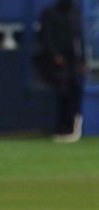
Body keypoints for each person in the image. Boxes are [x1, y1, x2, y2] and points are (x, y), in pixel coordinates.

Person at [34, 0, 85, 143]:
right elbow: (45, 36)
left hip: (72, 59)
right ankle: (61, 127)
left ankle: (73, 125)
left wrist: (82, 58)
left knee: (74, 90)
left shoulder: (75, 12)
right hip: (55, 62)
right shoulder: (49, 13)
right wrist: (54, 54)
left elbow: (79, 36)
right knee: (62, 93)